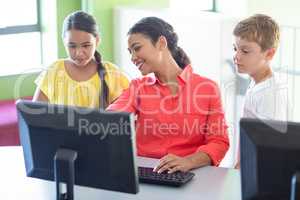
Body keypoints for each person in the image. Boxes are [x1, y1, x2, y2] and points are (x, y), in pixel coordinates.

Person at [107, 17, 229, 173]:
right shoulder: (138, 87)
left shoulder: (207, 88)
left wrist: (188, 161)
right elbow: (111, 117)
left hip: (192, 174)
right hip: (147, 173)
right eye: (130, 52)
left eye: (137, 48)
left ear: (161, 43)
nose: (132, 57)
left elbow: (219, 142)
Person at [33, 11, 129, 108]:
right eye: (72, 46)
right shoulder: (54, 71)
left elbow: (123, 115)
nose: (78, 53)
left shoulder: (112, 73)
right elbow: (35, 115)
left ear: (97, 40)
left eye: (86, 46)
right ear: (64, 42)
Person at [233, 14, 290, 168]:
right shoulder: (256, 82)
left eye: (245, 51)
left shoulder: (269, 94)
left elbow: (271, 149)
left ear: (269, 54)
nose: (236, 56)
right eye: (235, 48)